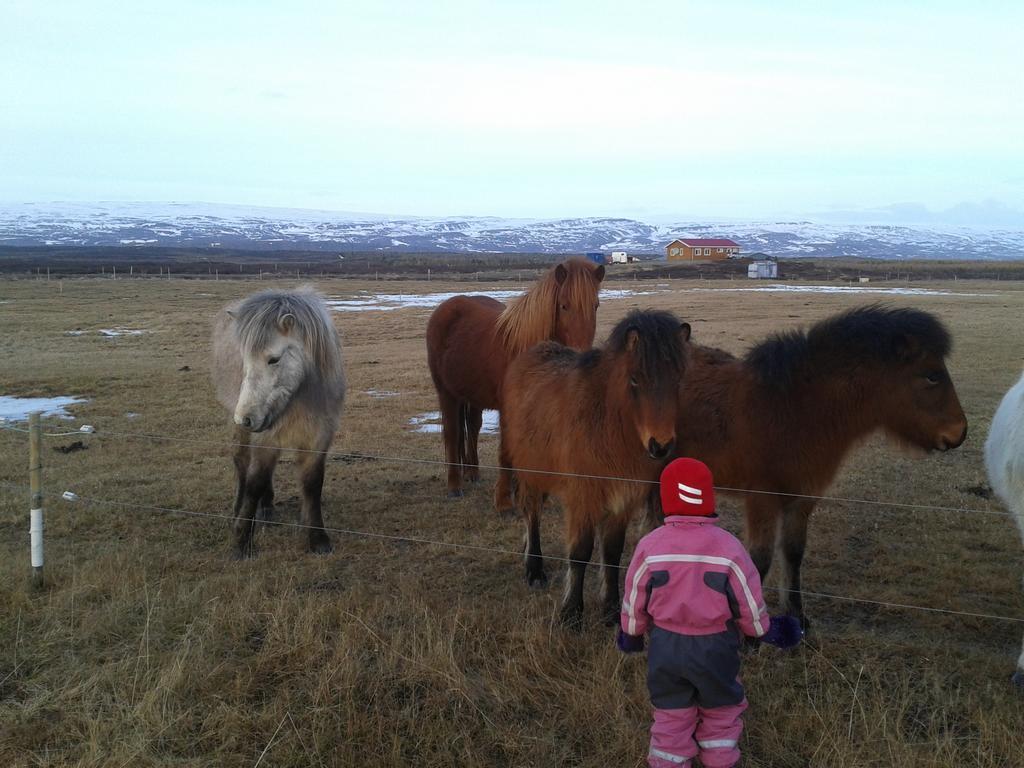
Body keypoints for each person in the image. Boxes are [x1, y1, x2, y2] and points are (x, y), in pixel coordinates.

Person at [618, 457, 802, 768]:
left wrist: (632, 633)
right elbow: (748, 597)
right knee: (720, 712)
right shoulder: (728, 548)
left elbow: (634, 593)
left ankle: (668, 761)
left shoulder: (649, 546)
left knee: (671, 713)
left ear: (665, 499)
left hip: (665, 648)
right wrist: (761, 629)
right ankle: (719, 760)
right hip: (716, 648)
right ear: (708, 496)